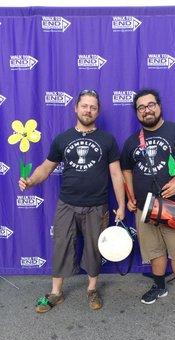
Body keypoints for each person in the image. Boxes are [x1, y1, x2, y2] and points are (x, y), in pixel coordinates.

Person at [19, 89, 125, 313]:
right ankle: (56, 293)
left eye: (93, 107)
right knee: (61, 246)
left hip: (97, 205)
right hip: (67, 204)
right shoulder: (62, 139)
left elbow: (116, 174)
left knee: (95, 249)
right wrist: (30, 181)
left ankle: (91, 289)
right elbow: (46, 168)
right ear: (75, 108)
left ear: (98, 111)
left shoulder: (107, 140)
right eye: (84, 106)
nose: (88, 110)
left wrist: (122, 205)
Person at [121, 89, 175, 317]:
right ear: (137, 113)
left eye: (150, 105)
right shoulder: (131, 142)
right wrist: (130, 196)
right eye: (141, 107)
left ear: (158, 106)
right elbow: (126, 171)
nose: (146, 110)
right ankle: (159, 286)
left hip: (173, 206)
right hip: (144, 208)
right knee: (154, 251)